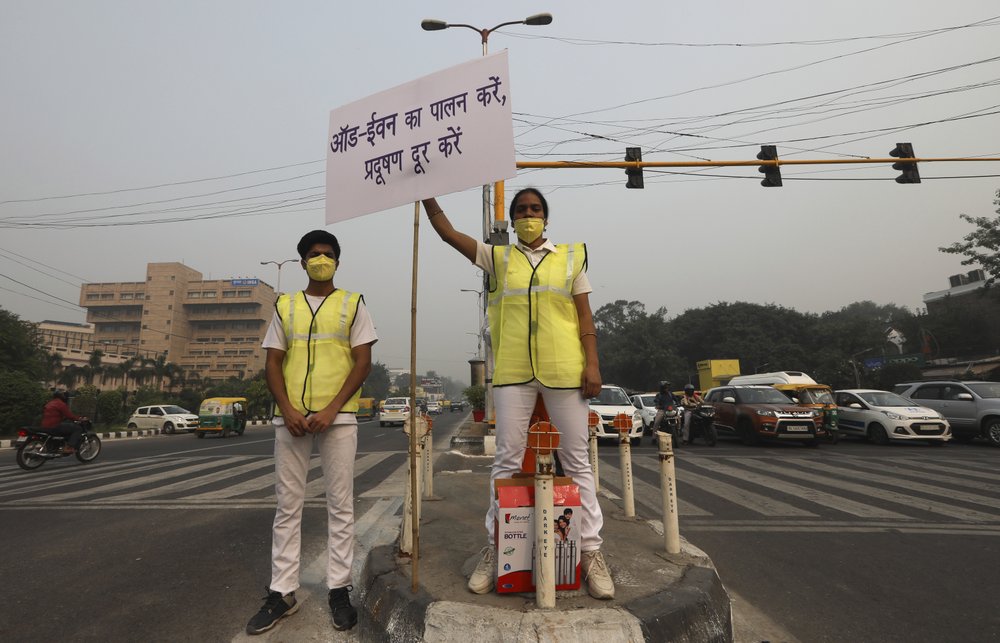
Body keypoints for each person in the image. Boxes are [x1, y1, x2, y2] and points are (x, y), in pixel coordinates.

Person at [422, 188, 615, 600]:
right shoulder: (498, 257)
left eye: (536, 209)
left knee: (578, 462)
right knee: (506, 462)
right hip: (512, 373)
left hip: (565, 371)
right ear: (511, 220)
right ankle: (495, 549)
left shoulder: (570, 257)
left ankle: (591, 553)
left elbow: (584, 316)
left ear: (546, 217)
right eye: (522, 210)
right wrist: (425, 194)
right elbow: (446, 233)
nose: (529, 214)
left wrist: (592, 363)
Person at [246, 229, 377, 636]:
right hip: (291, 420)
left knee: (341, 505)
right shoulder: (285, 306)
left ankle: (339, 588)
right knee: (288, 506)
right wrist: (286, 410)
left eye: (328, 254)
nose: (322, 259)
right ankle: (282, 592)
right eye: (314, 254)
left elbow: (362, 362)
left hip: (337, 419)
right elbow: (273, 362)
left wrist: (332, 408)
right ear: (302, 261)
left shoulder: (352, 304)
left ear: (338, 261)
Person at [40, 389, 85, 454]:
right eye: (63, 395)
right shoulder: (61, 404)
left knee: (65, 426)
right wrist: (79, 419)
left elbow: (53, 415)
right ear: (61, 396)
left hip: (44, 425)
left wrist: (62, 418)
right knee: (77, 428)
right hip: (54, 426)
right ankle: (68, 447)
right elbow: (70, 416)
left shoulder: (49, 403)